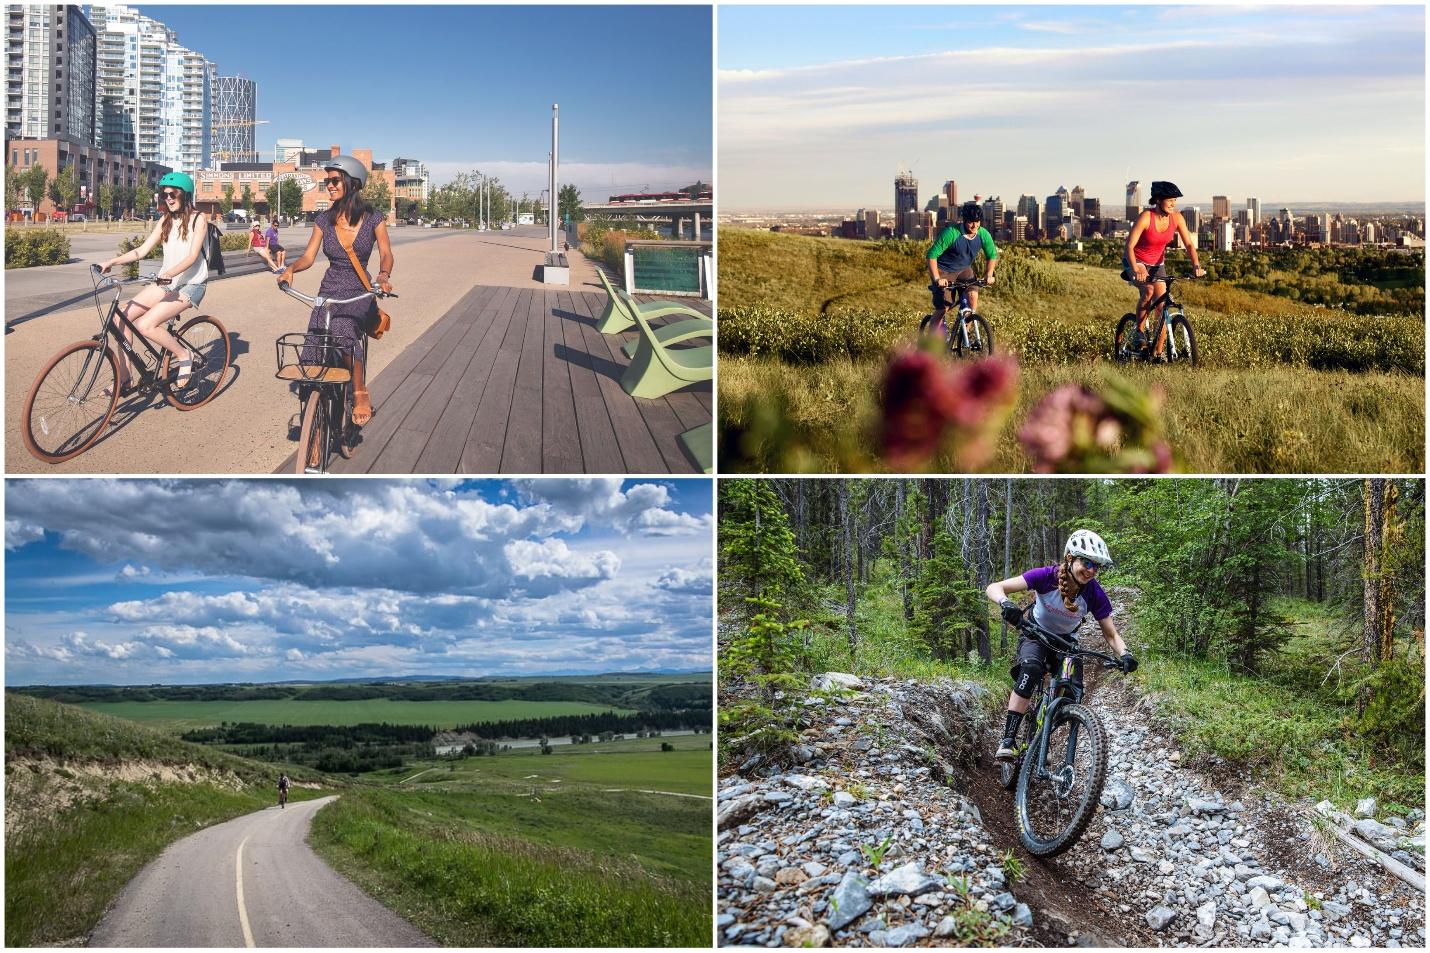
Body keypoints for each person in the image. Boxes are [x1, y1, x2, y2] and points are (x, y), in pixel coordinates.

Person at [985, 530, 1137, 761]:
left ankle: (1042, 735)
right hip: (1035, 634)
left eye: (1097, 566)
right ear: (1070, 558)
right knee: (1031, 669)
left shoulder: (1095, 593)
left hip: (1067, 643)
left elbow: (1111, 634)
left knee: (1072, 689)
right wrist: (1005, 603)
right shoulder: (1047, 576)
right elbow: (995, 587)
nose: (1092, 570)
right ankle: (1008, 739)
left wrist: (1125, 653)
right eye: (1087, 562)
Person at [277, 154, 394, 426]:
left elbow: (387, 253)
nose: (328, 185)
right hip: (329, 289)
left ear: (352, 184)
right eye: (326, 181)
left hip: (359, 291)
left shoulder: (374, 218)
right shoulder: (323, 219)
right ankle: (314, 426)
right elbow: (308, 256)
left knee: (342, 332)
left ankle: (359, 390)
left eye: (334, 180)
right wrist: (291, 269)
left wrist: (383, 276)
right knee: (313, 349)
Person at [97, 172, 210, 390]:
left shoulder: (199, 219)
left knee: (145, 325)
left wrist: (171, 272)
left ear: (185, 195)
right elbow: (141, 251)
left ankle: (183, 354)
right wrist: (111, 261)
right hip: (166, 283)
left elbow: (193, 256)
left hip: (191, 284)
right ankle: (126, 377)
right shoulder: (165, 220)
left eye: (172, 194)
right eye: (164, 195)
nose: (167, 198)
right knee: (121, 319)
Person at [1124, 181, 1206, 356]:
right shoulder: (1146, 217)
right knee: (1148, 290)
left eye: (1174, 200)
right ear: (1158, 200)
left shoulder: (1177, 218)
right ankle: (1139, 332)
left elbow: (1190, 245)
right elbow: (1129, 247)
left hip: (1157, 264)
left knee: (1162, 306)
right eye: (1169, 200)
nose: (1173, 203)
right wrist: (1136, 270)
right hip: (1136, 260)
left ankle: (1158, 355)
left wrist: (1196, 266)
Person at [926, 201, 998, 335]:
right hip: (944, 270)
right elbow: (931, 256)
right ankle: (930, 343)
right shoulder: (951, 233)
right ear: (964, 221)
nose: (974, 225)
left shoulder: (983, 234)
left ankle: (964, 335)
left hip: (964, 269)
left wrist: (988, 274)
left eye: (977, 222)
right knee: (943, 308)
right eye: (971, 222)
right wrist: (937, 278)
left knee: (973, 297)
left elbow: (992, 255)